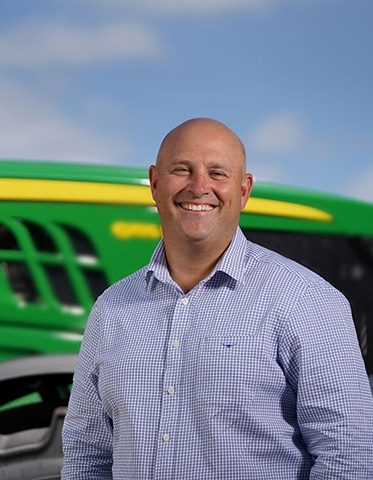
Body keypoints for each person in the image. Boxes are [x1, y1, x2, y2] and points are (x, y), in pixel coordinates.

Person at [61, 117, 373, 479]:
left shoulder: (306, 300)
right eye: (182, 169)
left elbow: (349, 454)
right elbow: (87, 455)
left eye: (218, 173)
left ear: (243, 191)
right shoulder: (111, 309)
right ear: (155, 182)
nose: (198, 187)